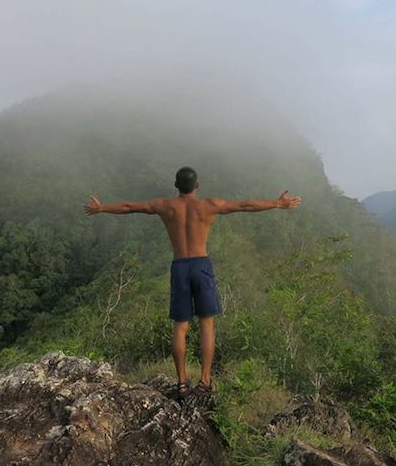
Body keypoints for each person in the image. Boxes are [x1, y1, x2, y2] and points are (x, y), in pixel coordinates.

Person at [83, 166, 302, 400]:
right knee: (207, 324)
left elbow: (130, 207)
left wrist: (101, 207)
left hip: (180, 267)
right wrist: (278, 204)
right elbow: (245, 206)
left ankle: (182, 382)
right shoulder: (209, 205)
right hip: (201, 265)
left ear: (176, 186)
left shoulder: (165, 206)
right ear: (197, 186)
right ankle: (205, 381)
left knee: (181, 326)